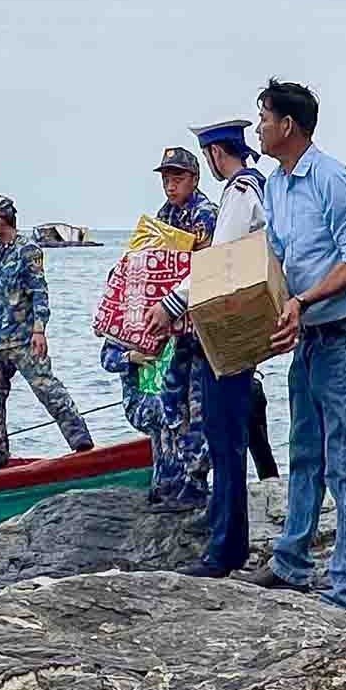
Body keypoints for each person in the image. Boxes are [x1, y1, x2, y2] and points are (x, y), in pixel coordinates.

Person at [250, 79, 346, 612]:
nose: (257, 127)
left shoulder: (333, 180)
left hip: (345, 336)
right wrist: (275, 316)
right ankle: (291, 563)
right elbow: (279, 259)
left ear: (288, 125)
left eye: (263, 117)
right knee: (303, 452)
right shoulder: (274, 185)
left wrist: (301, 302)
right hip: (308, 336)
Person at [173, 117, 277, 578]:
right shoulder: (262, 186)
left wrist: (170, 303)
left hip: (229, 332)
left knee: (224, 441)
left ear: (216, 155)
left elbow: (221, 263)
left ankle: (225, 550)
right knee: (232, 439)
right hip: (248, 329)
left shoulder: (238, 194)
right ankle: (228, 544)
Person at [119, 146, 217, 508]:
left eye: (177, 178)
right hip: (170, 327)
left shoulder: (205, 215)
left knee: (197, 405)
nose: (170, 185)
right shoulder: (165, 215)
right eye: (165, 179)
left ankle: (196, 479)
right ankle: (174, 476)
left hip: (198, 326)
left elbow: (204, 271)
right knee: (172, 401)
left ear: (194, 179)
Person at [0, 194, 95, 465]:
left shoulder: (27, 250)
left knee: (47, 389)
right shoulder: (1, 251)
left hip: (23, 339)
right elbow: (1, 297)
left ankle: (81, 441)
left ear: (1, 220)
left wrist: (39, 330)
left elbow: (40, 293)